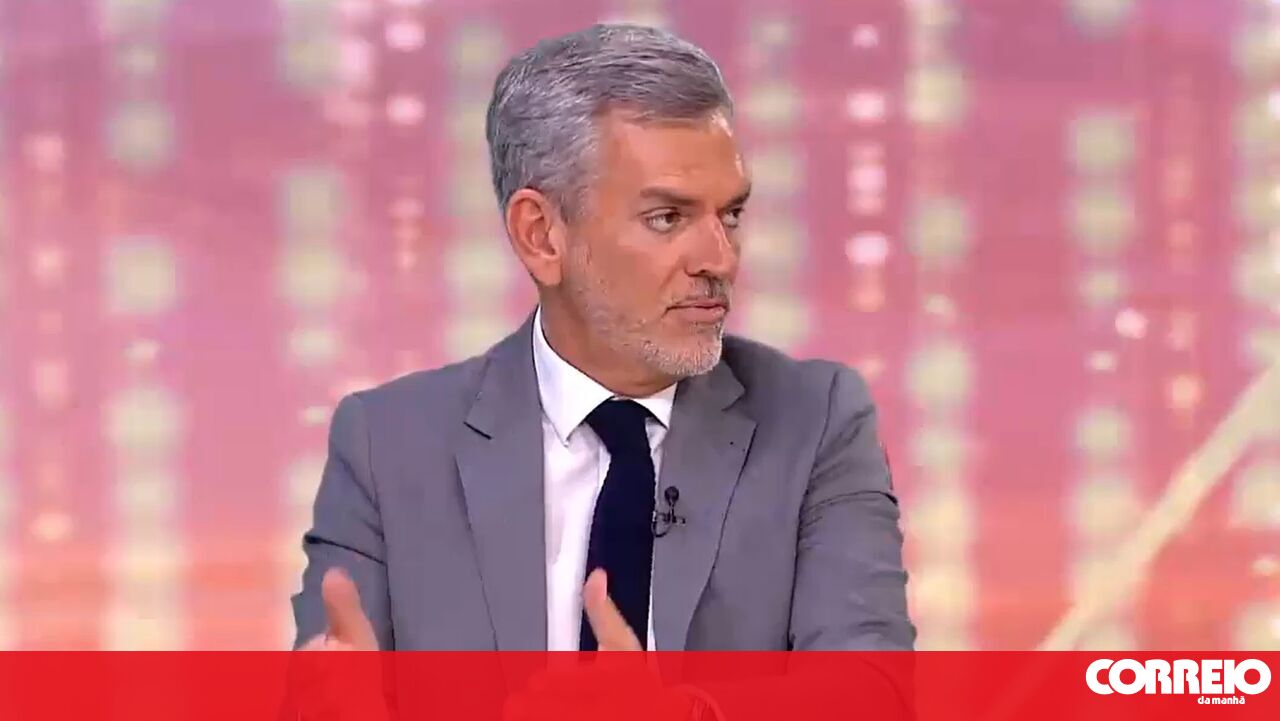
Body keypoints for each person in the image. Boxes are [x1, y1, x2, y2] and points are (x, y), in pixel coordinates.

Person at [291, 22, 915, 654]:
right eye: (668, 217)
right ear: (541, 235)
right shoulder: (386, 446)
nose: (720, 258)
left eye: (731, 214)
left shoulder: (815, 423)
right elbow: (332, 677)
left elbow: (868, 690)